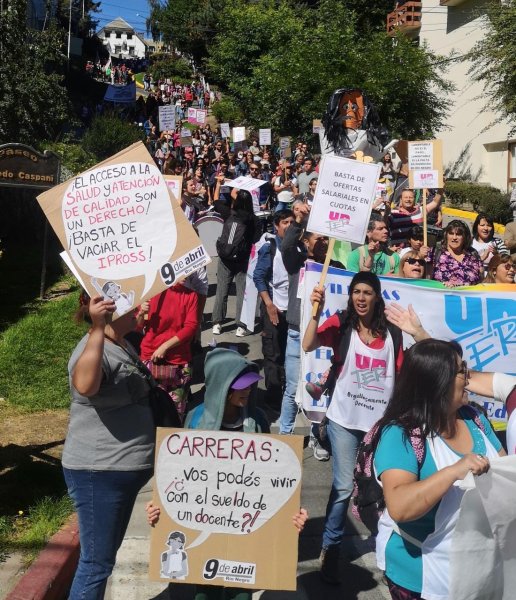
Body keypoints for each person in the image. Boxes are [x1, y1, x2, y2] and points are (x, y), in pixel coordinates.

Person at [146, 348, 308, 599]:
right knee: (205, 590)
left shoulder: (257, 422)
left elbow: (271, 479)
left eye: (250, 385)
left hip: (245, 526)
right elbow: (178, 476)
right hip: (204, 523)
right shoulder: (196, 422)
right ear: (222, 386)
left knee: (241, 592)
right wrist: (160, 509)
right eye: (241, 386)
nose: (248, 390)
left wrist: (290, 515)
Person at [302, 272, 428, 584]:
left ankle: (388, 550)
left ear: (377, 297)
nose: (361, 298)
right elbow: (308, 344)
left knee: (381, 490)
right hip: (344, 422)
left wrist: (418, 332)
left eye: (367, 292)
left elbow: (407, 371)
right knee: (344, 487)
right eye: (356, 291)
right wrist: (314, 312)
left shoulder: (393, 335)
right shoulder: (342, 324)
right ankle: (330, 548)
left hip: (380, 427)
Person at [373, 339, 504, 600]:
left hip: (479, 570)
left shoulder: (475, 418)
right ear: (437, 381)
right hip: (421, 574)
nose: (468, 377)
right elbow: (399, 506)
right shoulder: (400, 434)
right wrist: (454, 471)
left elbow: (503, 474)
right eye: (460, 371)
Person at [63, 293, 155, 599]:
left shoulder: (122, 343)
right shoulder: (93, 347)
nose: (144, 307)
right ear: (112, 311)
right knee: (95, 564)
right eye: (136, 303)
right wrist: (99, 327)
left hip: (119, 473)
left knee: (103, 561)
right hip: (99, 473)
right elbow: (86, 385)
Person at [138, 284, 199, 421]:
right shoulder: (151, 292)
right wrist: (141, 313)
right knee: (149, 408)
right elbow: (137, 326)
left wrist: (165, 346)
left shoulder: (190, 295)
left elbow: (191, 327)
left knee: (175, 412)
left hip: (179, 361)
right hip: (150, 359)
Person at [253, 210, 294, 411]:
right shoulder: (270, 249)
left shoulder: (298, 248)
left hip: (293, 310)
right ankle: (272, 398)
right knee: (273, 353)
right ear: (276, 226)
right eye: (285, 222)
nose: (289, 225)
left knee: (290, 353)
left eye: (291, 222)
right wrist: (268, 304)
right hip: (274, 309)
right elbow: (258, 277)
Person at [212, 190, 260, 337]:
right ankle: (241, 325)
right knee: (242, 293)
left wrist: (230, 194)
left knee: (221, 290)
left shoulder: (229, 213)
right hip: (243, 260)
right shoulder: (253, 220)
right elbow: (256, 239)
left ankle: (217, 323)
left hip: (225, 258)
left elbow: (216, 202)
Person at [432, 219, 484, 286]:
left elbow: (482, 281)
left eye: (458, 234)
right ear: (446, 235)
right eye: (451, 233)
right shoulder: (435, 253)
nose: (454, 237)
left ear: (465, 237)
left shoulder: (473, 254)